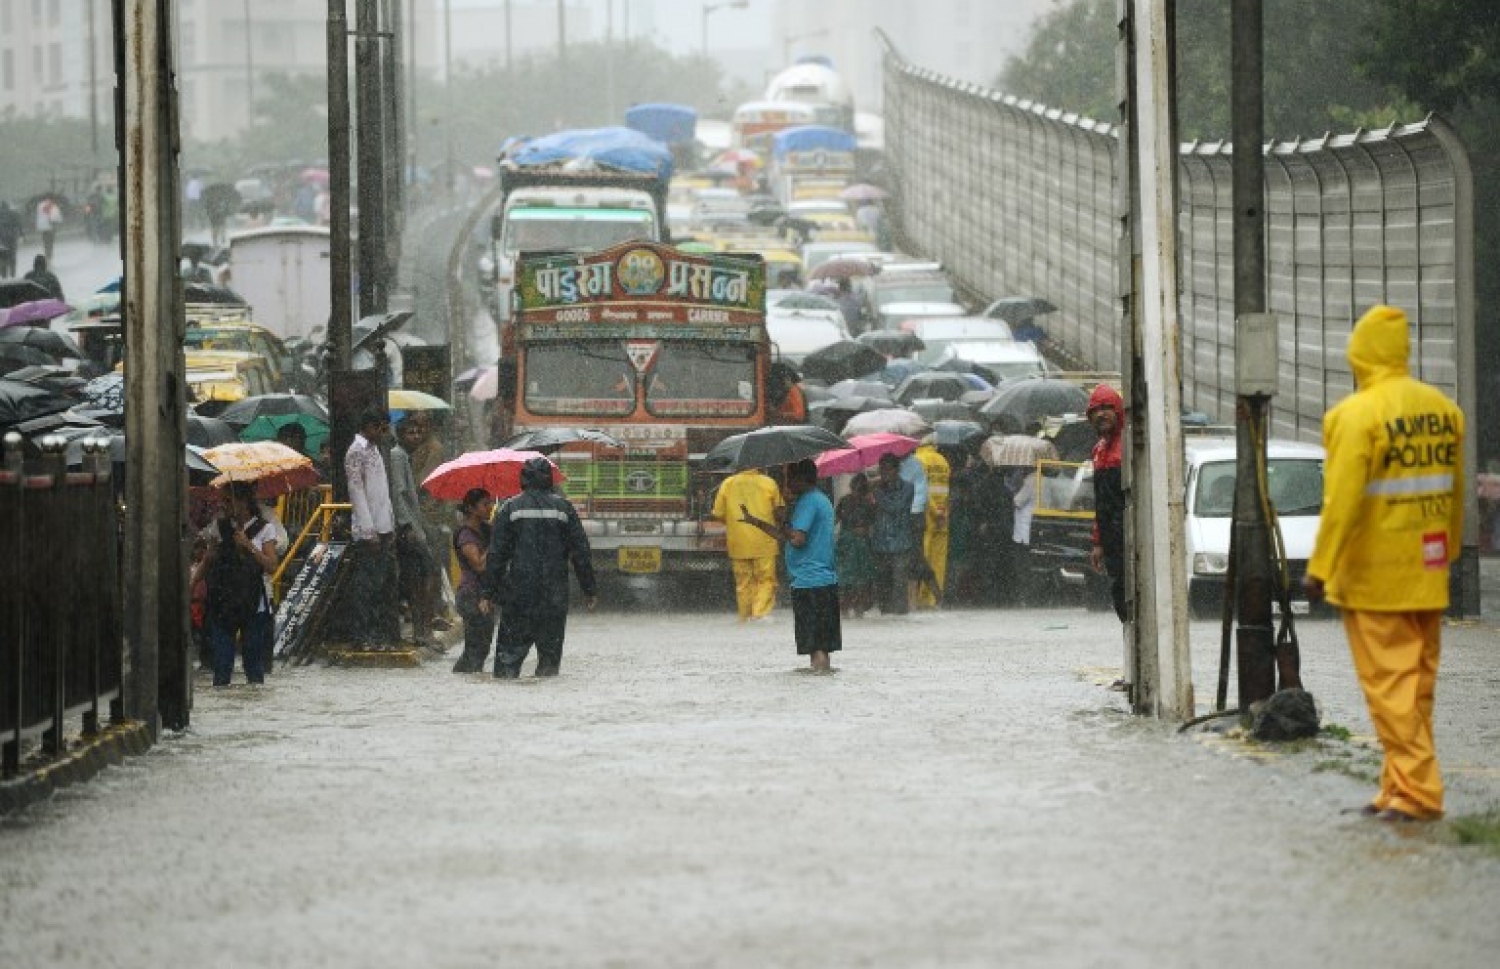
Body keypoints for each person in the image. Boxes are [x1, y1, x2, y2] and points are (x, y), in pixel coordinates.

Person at [1303, 304, 1465, 823]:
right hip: (1428, 572)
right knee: (1416, 691)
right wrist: (1449, 554)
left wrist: (1320, 567)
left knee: (1391, 692)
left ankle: (1418, 795)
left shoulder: (1354, 416)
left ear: (1360, 354)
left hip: (1376, 579)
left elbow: (1342, 502)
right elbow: (1455, 494)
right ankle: (1398, 789)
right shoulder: (1443, 410)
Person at [481, 457, 597, 678]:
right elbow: (580, 552)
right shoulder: (564, 509)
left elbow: (497, 555)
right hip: (553, 596)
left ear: (523, 479)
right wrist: (589, 589)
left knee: (507, 662)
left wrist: (488, 593)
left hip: (519, 595)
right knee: (549, 663)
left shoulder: (510, 508)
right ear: (549, 479)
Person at [738, 459, 841, 672]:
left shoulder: (808, 502)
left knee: (815, 645)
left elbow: (796, 539)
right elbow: (784, 536)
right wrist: (756, 522)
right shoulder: (820, 499)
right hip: (822, 582)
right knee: (821, 644)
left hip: (810, 582)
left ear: (801, 479)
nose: (786, 484)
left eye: (789, 479)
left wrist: (783, 521)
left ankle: (817, 682)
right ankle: (823, 681)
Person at [196, 481, 278, 686]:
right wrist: (192, 585)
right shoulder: (219, 527)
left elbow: (271, 566)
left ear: (243, 502)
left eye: (227, 500)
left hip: (253, 603)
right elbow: (207, 561)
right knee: (222, 665)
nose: (223, 505)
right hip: (223, 601)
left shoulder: (264, 529)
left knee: (253, 665)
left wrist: (248, 545)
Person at [344, 408, 399, 649]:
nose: (382, 432)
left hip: (383, 525)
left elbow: (382, 490)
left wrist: (389, 523)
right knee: (366, 586)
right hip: (369, 531)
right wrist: (369, 531)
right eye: (379, 428)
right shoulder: (355, 452)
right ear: (368, 427)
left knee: (380, 585)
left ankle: (377, 634)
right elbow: (357, 492)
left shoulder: (375, 449)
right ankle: (363, 635)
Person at [709, 466, 785, 622]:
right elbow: (779, 511)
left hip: (738, 542)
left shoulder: (728, 483)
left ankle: (745, 617)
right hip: (764, 541)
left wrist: (733, 523)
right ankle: (760, 614)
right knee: (765, 579)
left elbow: (718, 513)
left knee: (743, 583)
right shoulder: (769, 483)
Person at [389, 417, 439, 647]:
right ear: (400, 435)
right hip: (408, 530)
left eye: (418, 432)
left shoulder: (405, 456)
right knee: (419, 579)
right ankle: (422, 631)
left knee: (420, 578)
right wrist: (407, 526)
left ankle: (423, 629)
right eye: (411, 433)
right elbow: (398, 494)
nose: (416, 437)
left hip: (414, 526)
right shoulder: (398, 456)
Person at [1086, 384, 1127, 623]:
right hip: (1112, 542)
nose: (1101, 414)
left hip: (1129, 539)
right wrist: (1098, 542)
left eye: (1107, 408)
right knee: (1120, 597)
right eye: (1095, 410)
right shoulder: (1098, 451)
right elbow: (1101, 503)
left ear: (1118, 411)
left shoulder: (1128, 449)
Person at [451, 488, 497, 673]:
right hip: (470, 595)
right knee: (475, 648)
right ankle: (462, 677)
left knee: (482, 647)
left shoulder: (487, 529)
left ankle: (466, 679)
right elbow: (479, 565)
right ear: (471, 508)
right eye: (485, 504)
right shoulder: (466, 534)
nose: (490, 507)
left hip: (484, 594)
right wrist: (494, 543)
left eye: (491, 503)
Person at [870, 453, 915, 615]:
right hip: (880, 543)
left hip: (900, 543)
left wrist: (877, 493)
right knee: (882, 583)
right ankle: (885, 614)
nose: (885, 473)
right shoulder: (877, 489)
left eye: (888, 469)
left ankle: (900, 615)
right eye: (882, 470)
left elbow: (896, 507)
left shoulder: (908, 487)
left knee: (899, 583)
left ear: (897, 470)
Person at [913, 441, 950, 608]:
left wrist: (935, 512)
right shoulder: (943, 461)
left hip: (928, 515)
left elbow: (923, 491)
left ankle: (922, 599)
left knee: (923, 558)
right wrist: (943, 514)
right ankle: (934, 600)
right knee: (939, 561)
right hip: (943, 516)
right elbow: (947, 491)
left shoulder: (919, 460)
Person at [835, 472, 877, 617]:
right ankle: (855, 609)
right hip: (856, 545)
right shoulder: (866, 503)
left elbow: (835, 520)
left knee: (848, 579)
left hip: (849, 544)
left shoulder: (846, 501)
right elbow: (872, 524)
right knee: (859, 580)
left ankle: (846, 609)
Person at [34, 198, 60, 263]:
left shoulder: (40, 206)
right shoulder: (52, 205)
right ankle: (49, 258)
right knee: (50, 243)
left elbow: (38, 217)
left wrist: (39, 226)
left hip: (43, 228)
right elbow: (55, 217)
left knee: (45, 243)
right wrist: (56, 223)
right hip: (50, 228)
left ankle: (47, 256)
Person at [0, 200, 21, 277]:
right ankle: (13, 273)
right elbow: (19, 224)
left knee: (3, 256)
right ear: (8, 206)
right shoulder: (14, 213)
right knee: (13, 255)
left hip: (2, 238)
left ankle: (4, 275)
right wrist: (21, 235)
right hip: (12, 237)